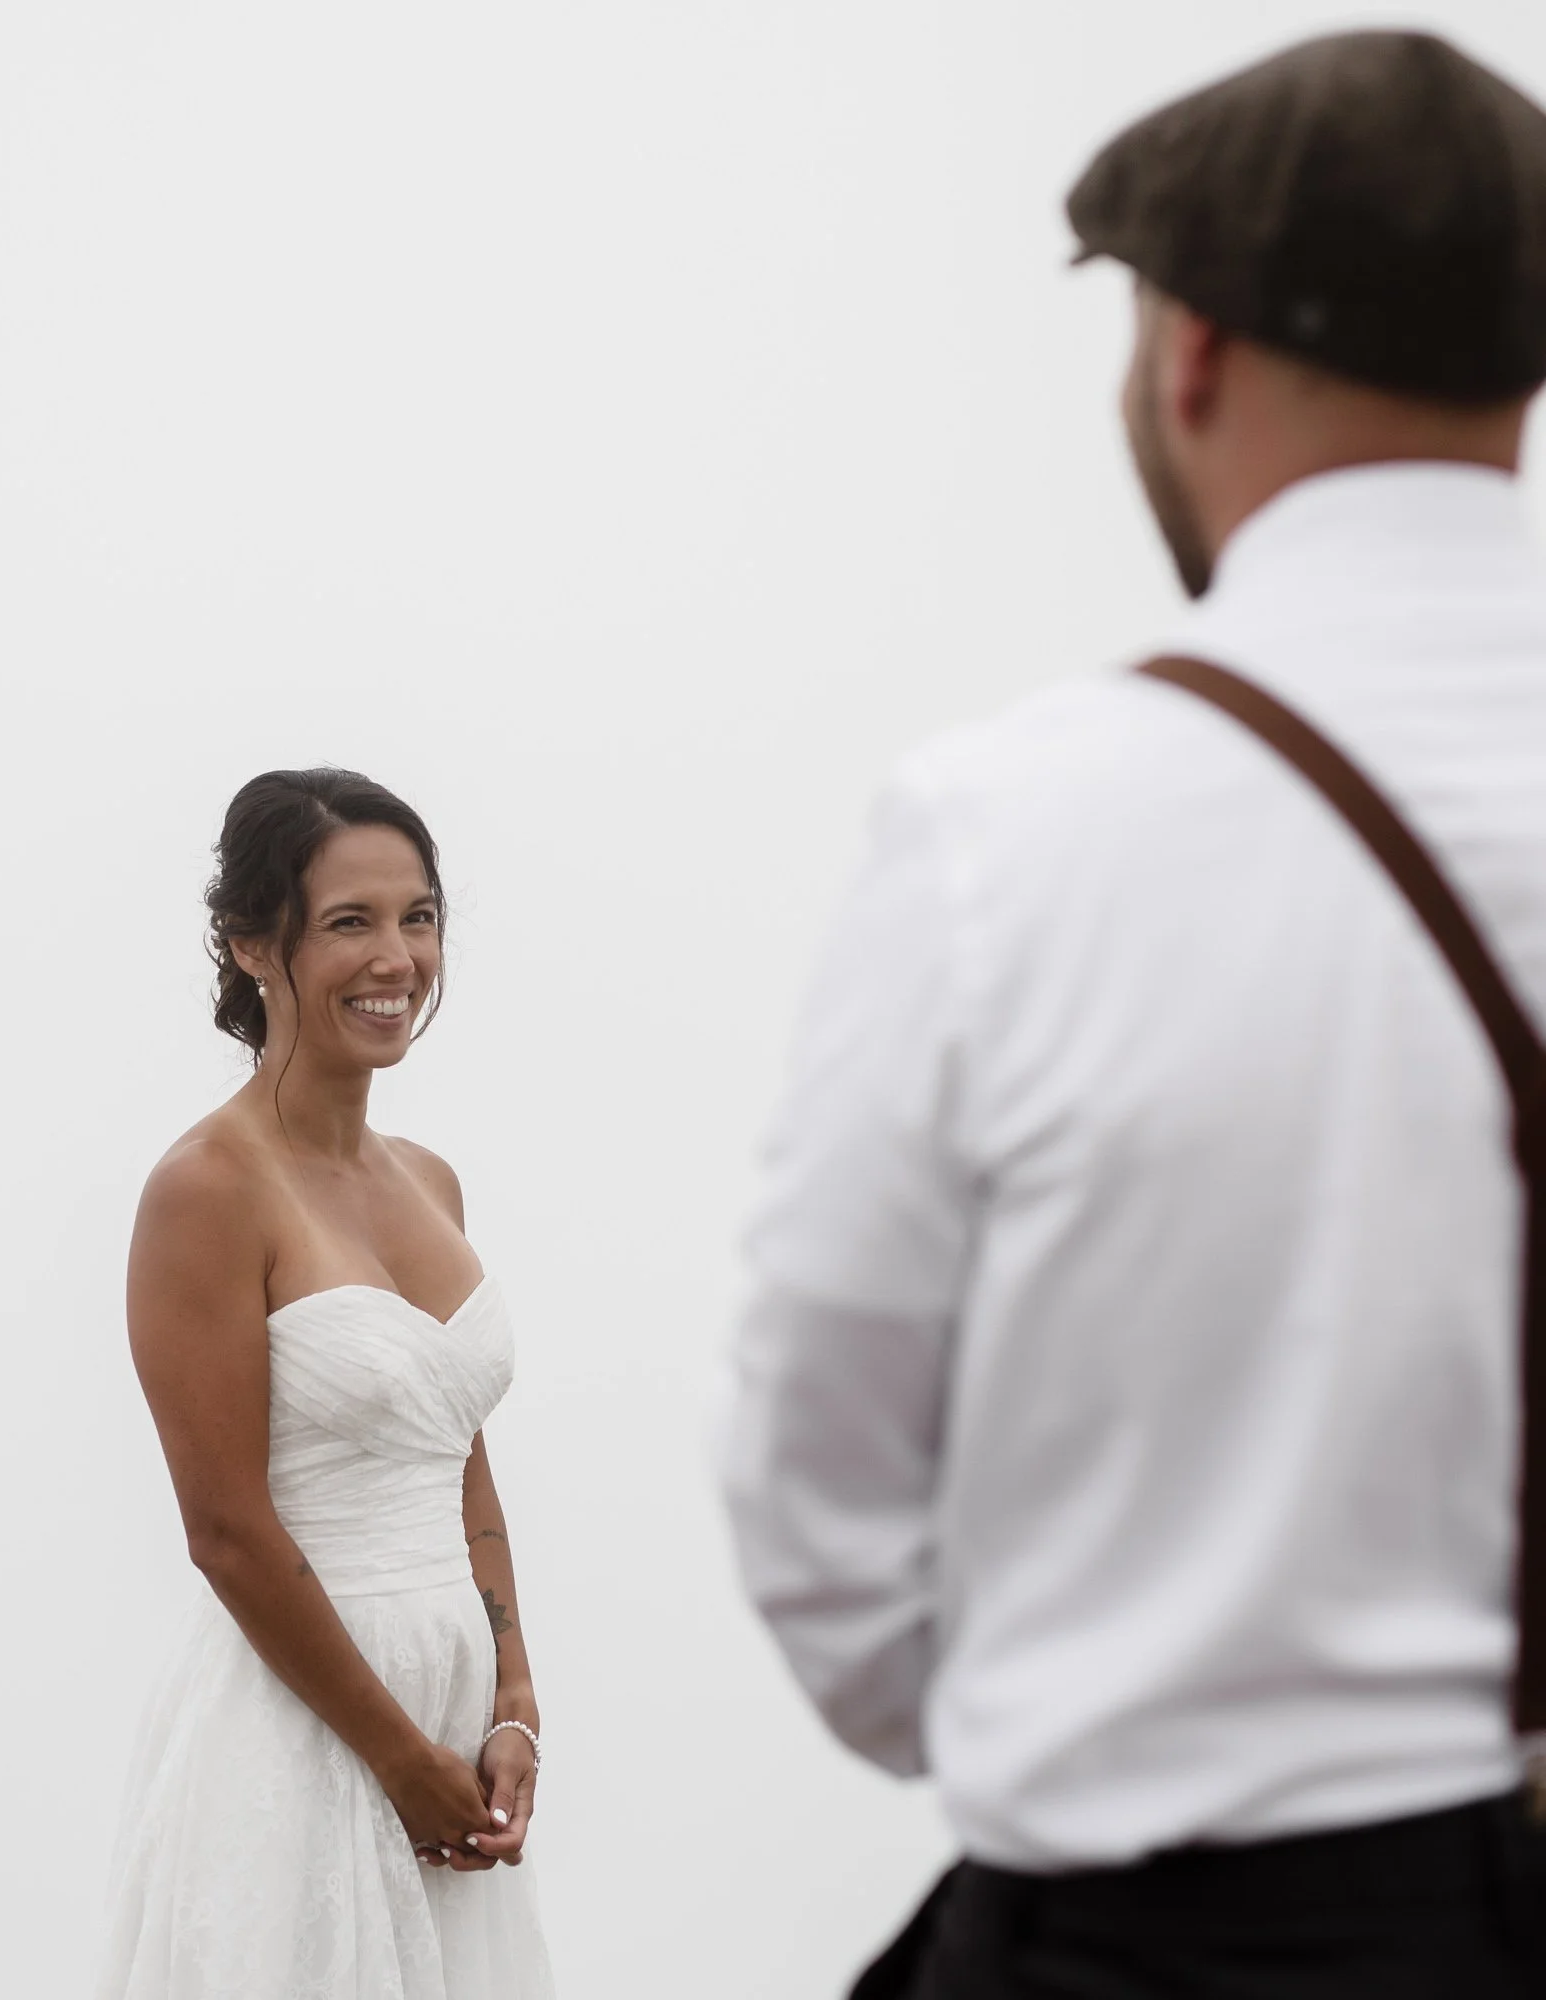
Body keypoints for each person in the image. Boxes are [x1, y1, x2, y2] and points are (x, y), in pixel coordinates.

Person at [720, 30, 1546, 1999]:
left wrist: (1069, 1710)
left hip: (1160, 1927)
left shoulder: (1010, 832)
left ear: (1186, 353)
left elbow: (813, 1480)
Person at [95, 769, 554, 2000]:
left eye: (418, 915)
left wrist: (509, 1700)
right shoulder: (205, 1189)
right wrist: (398, 1757)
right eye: (349, 920)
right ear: (250, 943)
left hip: (447, 1714)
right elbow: (227, 1530)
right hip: (299, 1728)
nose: (397, 955)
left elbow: (457, 1446)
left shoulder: (432, 1180)